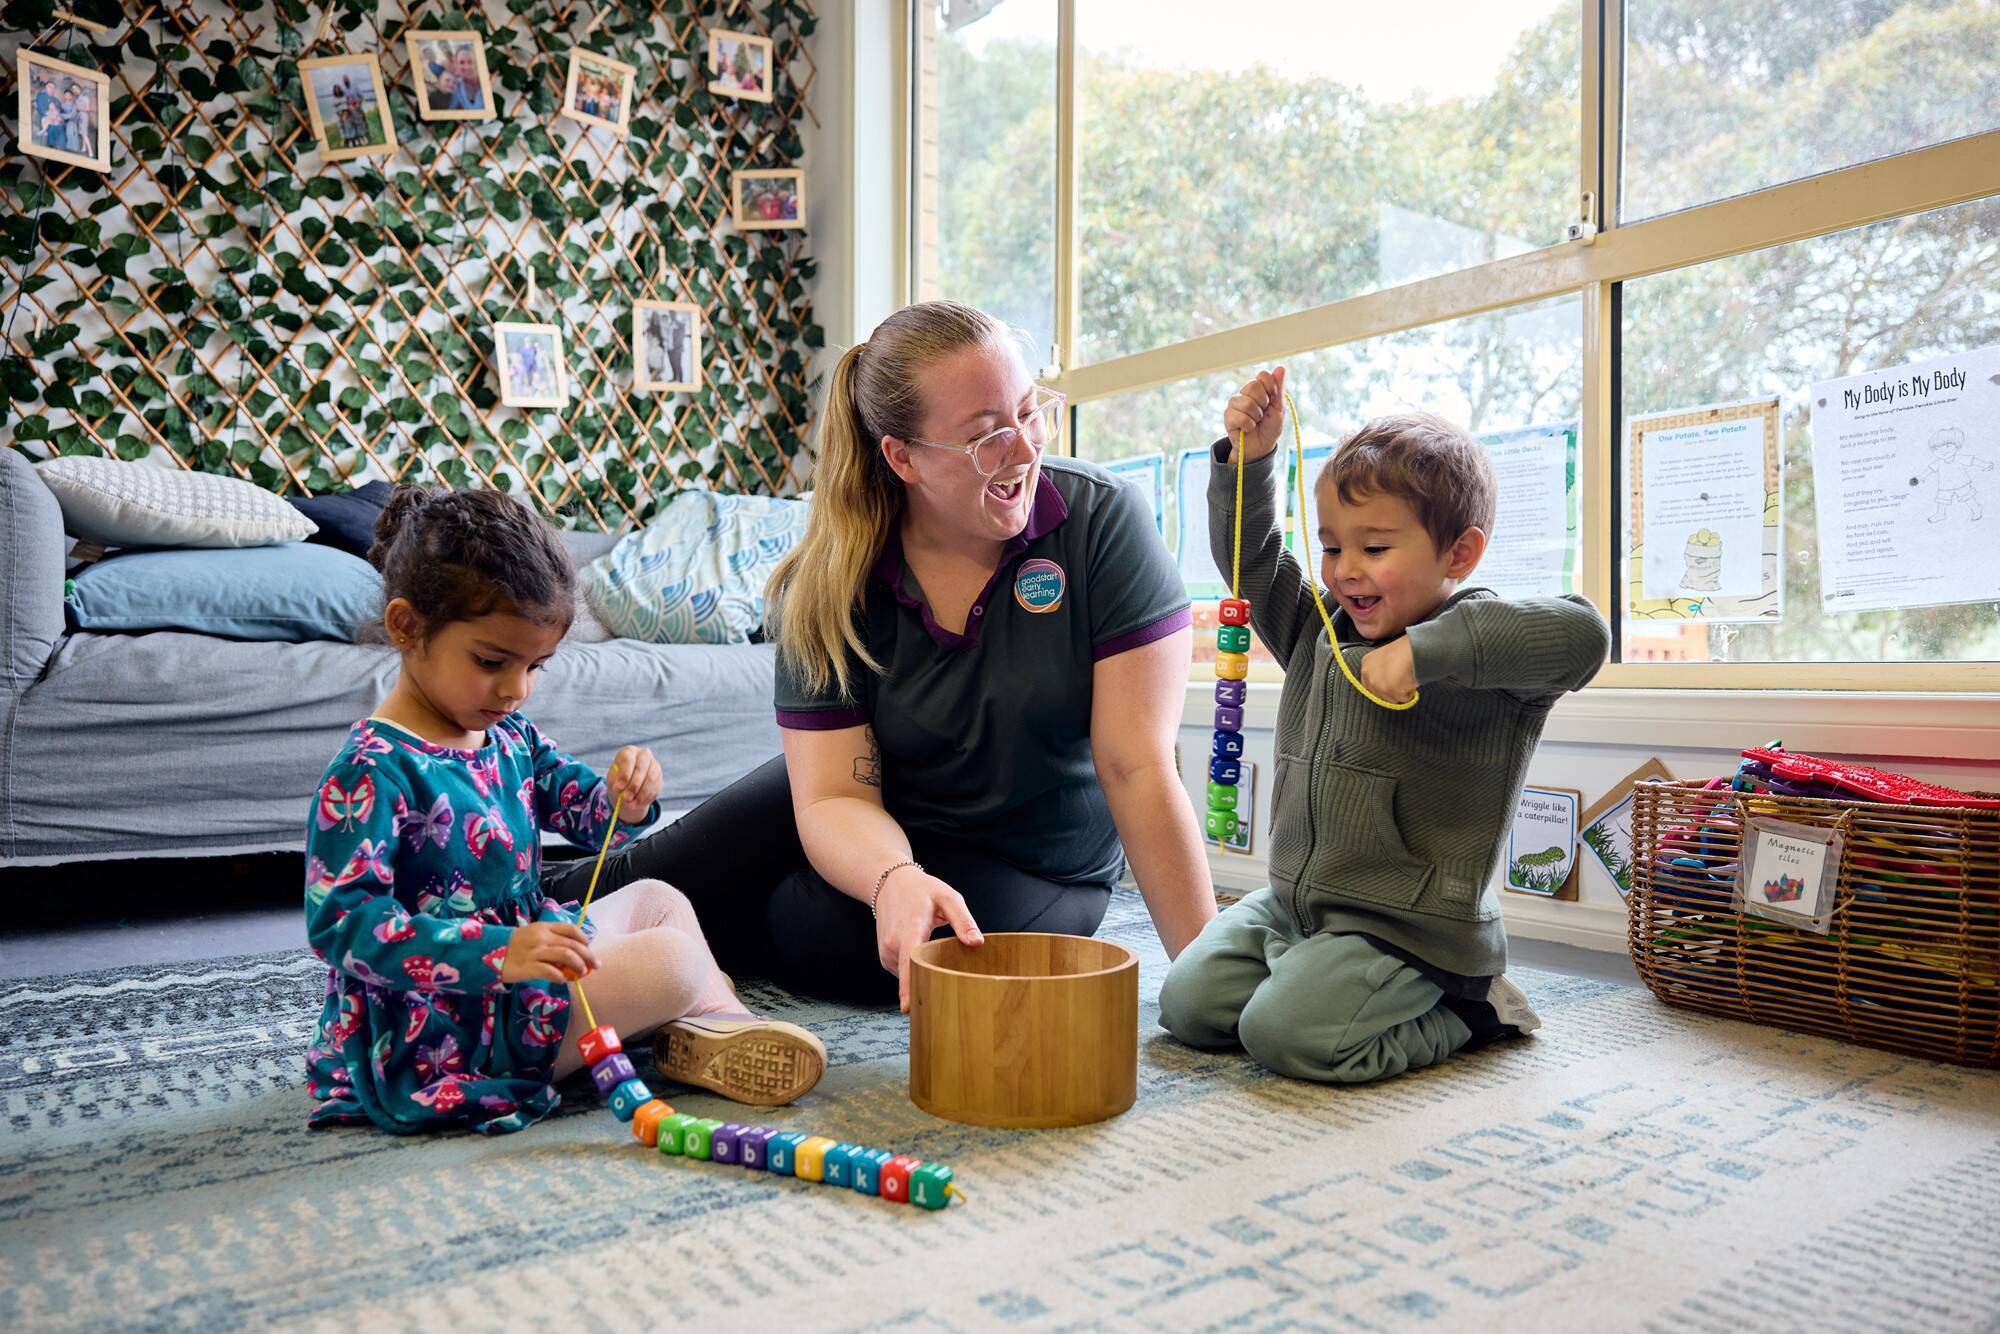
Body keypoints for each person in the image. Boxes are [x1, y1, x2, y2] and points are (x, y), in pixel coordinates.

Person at [542, 300, 1218, 1009]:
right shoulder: (829, 578)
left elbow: (1135, 765)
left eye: (1029, 412)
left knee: (815, 932)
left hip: (1038, 865)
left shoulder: (1104, 523)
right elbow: (835, 793)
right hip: (878, 806)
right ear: (903, 457)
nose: (1023, 449)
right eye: (987, 435)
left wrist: (1207, 973)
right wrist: (892, 876)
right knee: (643, 871)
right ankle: (485, 907)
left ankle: (674, 953)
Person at [303, 487, 825, 1135]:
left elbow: (585, 813)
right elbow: (344, 927)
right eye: (492, 661)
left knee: (659, 897)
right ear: (407, 626)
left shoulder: (505, 733)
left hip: (529, 967)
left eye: (535, 666)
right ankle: (694, 1007)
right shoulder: (372, 770)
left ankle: (716, 1030)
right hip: (450, 1027)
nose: (516, 689)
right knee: (675, 959)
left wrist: (624, 797)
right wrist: (499, 952)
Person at [1157, 366, 1610, 1084]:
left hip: (1410, 932)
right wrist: (1251, 459)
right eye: (1333, 547)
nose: (1345, 572)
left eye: (1374, 549)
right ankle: (1311, 974)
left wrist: (1425, 654)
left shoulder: (1480, 648)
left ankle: (1466, 1013)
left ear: (1458, 554)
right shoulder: (1319, 627)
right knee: (1188, 1005)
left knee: (1285, 1037)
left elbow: (1585, 635)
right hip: (1298, 907)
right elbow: (1251, 561)